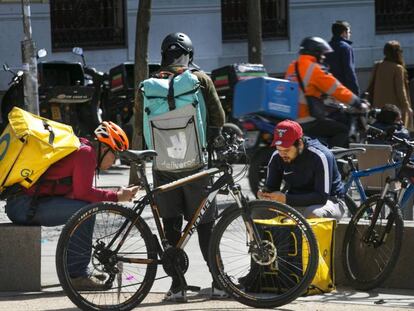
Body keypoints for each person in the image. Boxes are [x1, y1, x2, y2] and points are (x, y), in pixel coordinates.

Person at [5, 121, 139, 290]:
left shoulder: (83, 149)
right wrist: (118, 196)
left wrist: (115, 193)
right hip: (23, 206)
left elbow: (78, 192)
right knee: (85, 212)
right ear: (104, 149)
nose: (115, 161)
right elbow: (84, 194)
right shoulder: (86, 154)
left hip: (23, 203)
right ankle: (76, 275)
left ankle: (78, 271)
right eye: (115, 155)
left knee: (85, 207)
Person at [152, 32, 226, 302]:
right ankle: (218, 283)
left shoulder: (150, 83)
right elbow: (218, 116)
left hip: (162, 164)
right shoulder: (201, 79)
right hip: (196, 163)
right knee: (206, 224)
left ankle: (177, 286)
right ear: (190, 55)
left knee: (170, 225)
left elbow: (140, 125)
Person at [285, 36, 366, 148]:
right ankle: (331, 161)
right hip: (306, 118)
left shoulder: (293, 66)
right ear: (316, 53)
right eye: (322, 54)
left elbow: (306, 89)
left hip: (292, 116)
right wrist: (357, 101)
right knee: (342, 130)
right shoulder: (313, 69)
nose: (323, 57)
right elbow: (336, 89)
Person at [258, 119, 346, 221]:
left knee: (313, 214)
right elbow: (272, 187)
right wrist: (265, 193)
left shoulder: (320, 156)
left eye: (287, 150)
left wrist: (286, 199)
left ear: (299, 144)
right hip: (294, 201)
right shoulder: (277, 156)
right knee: (257, 211)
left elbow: (321, 197)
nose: (282, 154)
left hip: (329, 201)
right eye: (279, 149)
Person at [366, 40, 413, 129]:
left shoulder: (378, 65)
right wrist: (407, 107)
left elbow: (370, 85)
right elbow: (401, 91)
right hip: (394, 110)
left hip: (379, 107)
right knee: (397, 133)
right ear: (397, 53)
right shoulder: (397, 68)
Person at [325, 21, 360, 95]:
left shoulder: (326, 47)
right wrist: (356, 93)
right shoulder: (346, 47)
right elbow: (349, 71)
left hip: (328, 88)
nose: (350, 34)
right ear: (344, 32)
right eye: (349, 32)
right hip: (342, 89)